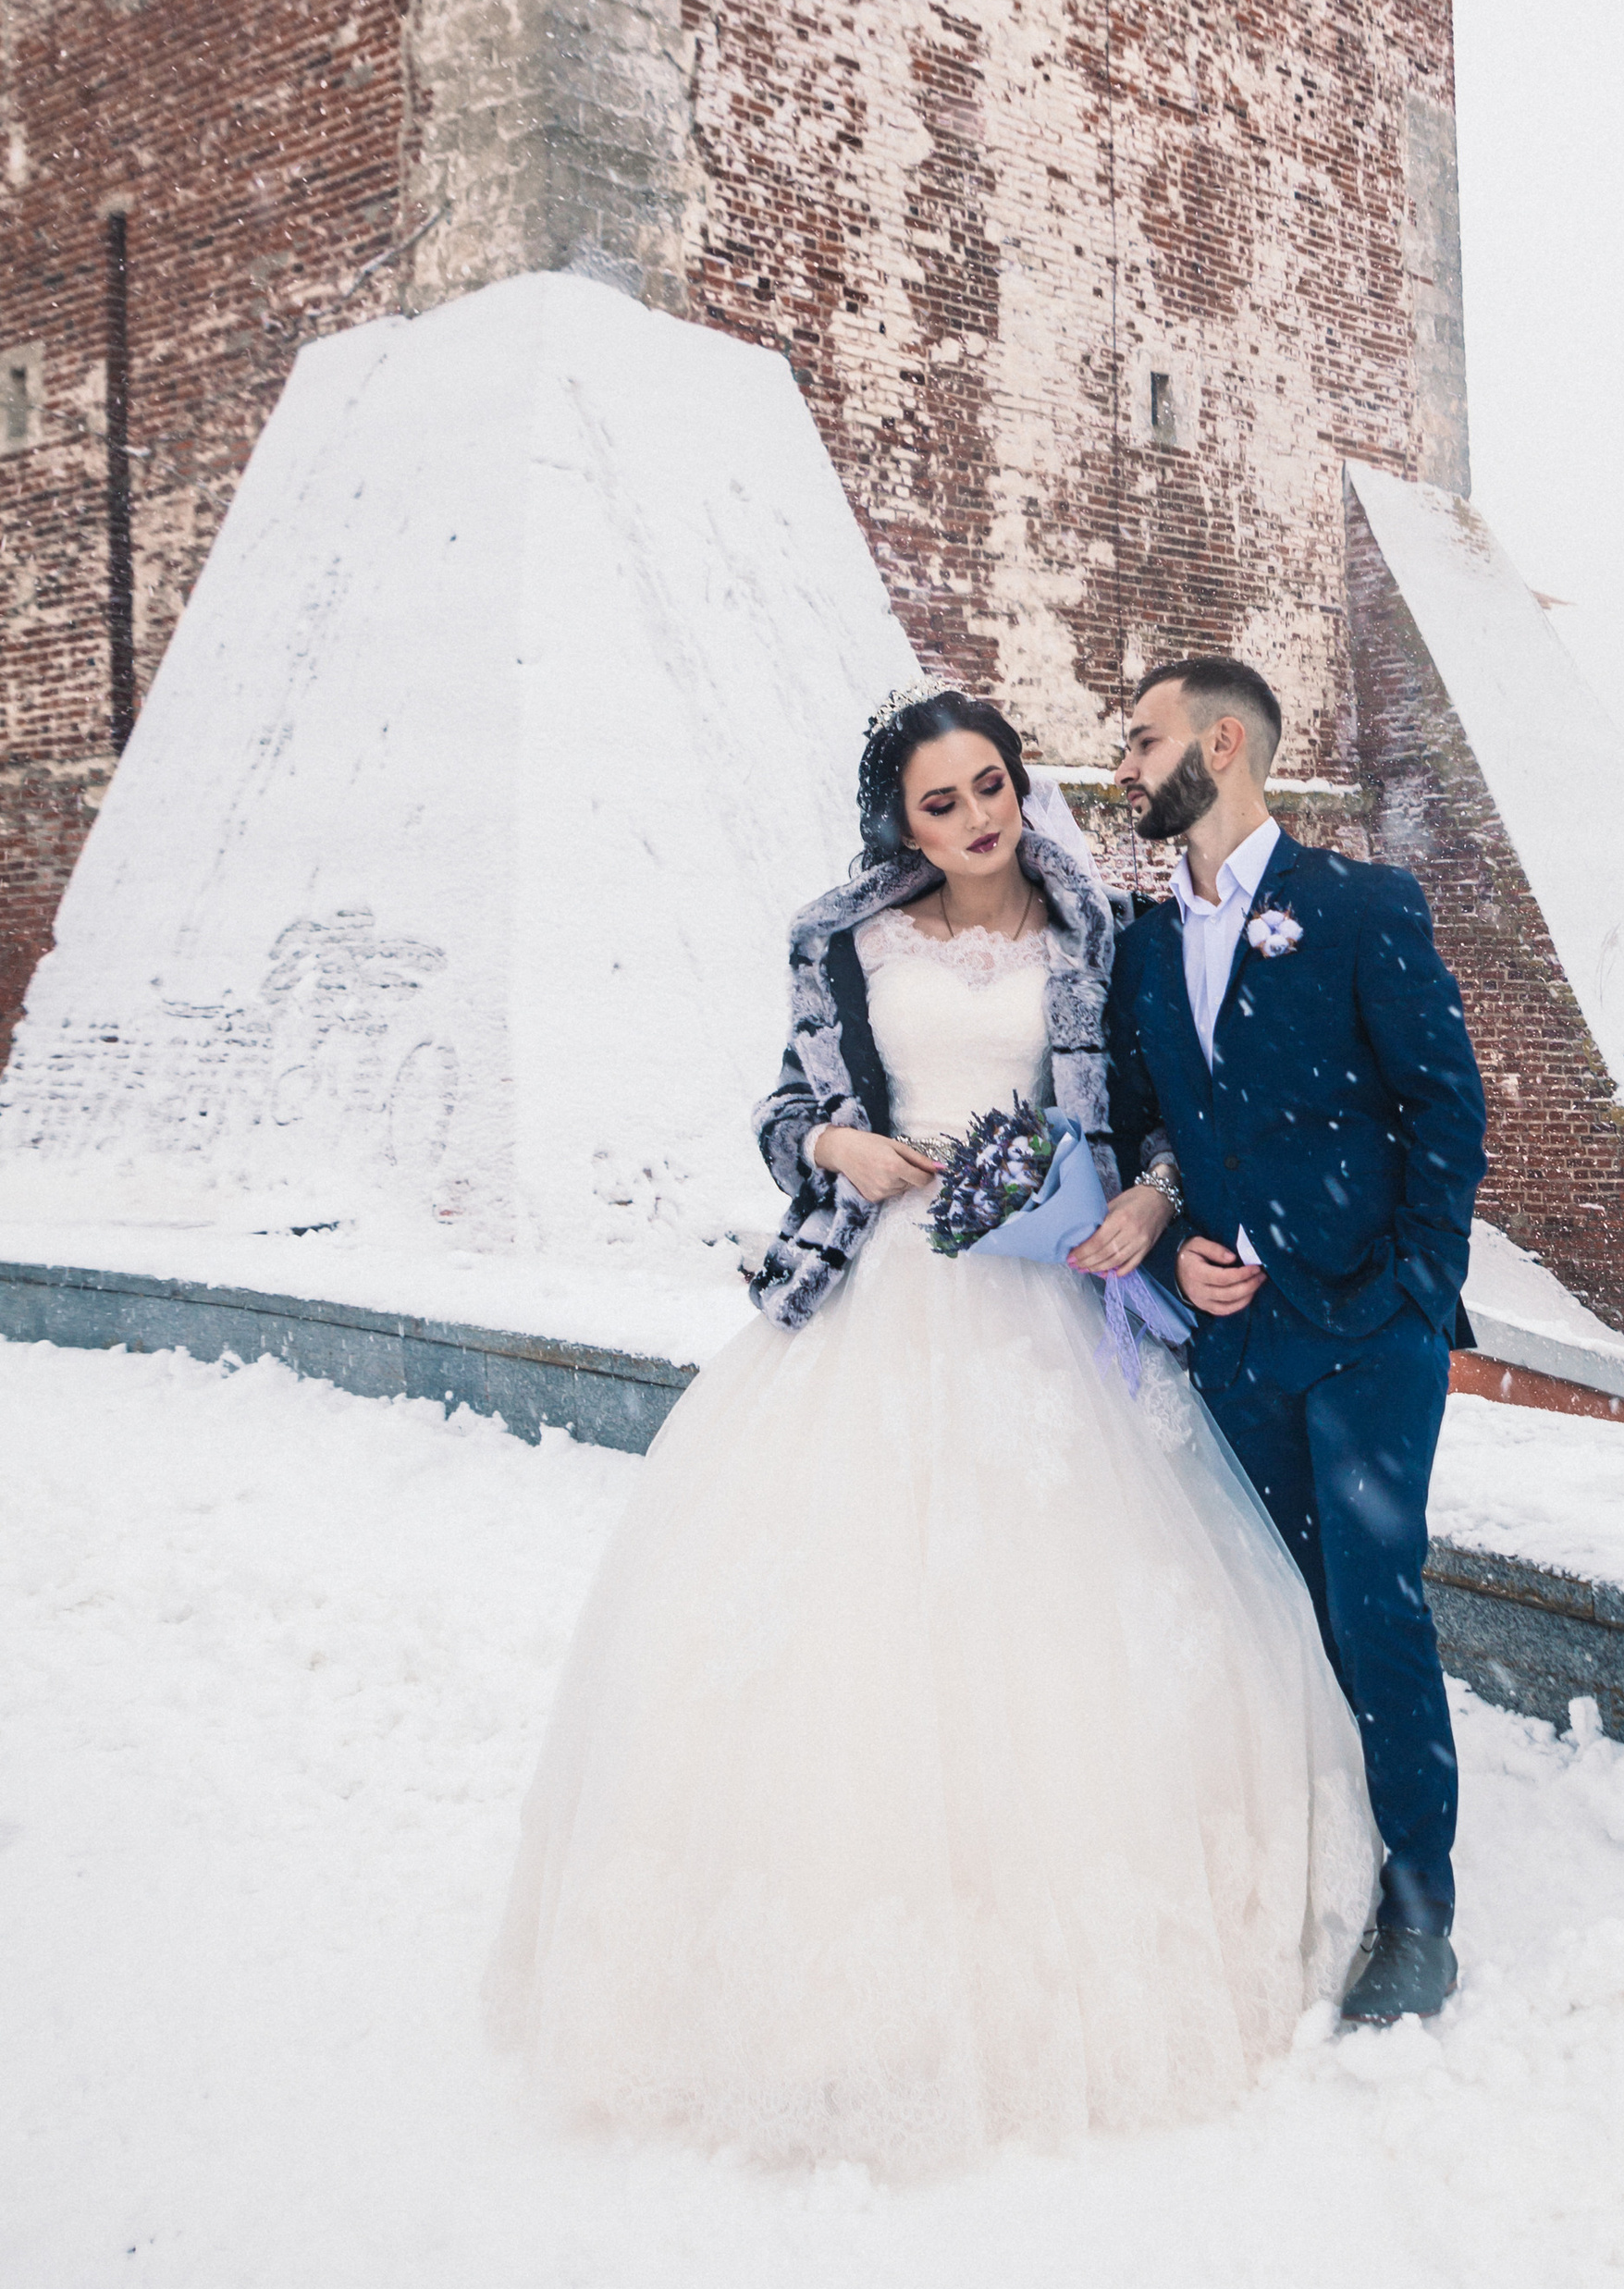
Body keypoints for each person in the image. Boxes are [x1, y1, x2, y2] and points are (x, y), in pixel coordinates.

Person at [486, 688, 1378, 2183]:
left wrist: (1147, 1205)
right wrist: (836, 1142)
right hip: (883, 1290)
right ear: (898, 827)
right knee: (841, 1634)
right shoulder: (844, 941)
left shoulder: (1103, 940)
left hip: (1044, 1297)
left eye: (991, 787)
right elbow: (785, 1109)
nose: (976, 820)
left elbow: (1155, 1125)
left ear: (1023, 783)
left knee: (1060, 1629)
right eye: (940, 804)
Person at [1080, 658, 1487, 2025]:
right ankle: (1314, 1864)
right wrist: (1178, 1226)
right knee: (1275, 1614)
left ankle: (1420, 1912)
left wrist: (1417, 1289)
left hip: (1369, 1329)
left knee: (1377, 1610)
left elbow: (1446, 1109)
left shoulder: (1361, 907)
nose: (1122, 768)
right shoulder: (1142, 948)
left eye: (1140, 742)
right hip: (1235, 1343)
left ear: (1225, 741)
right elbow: (1156, 1125)